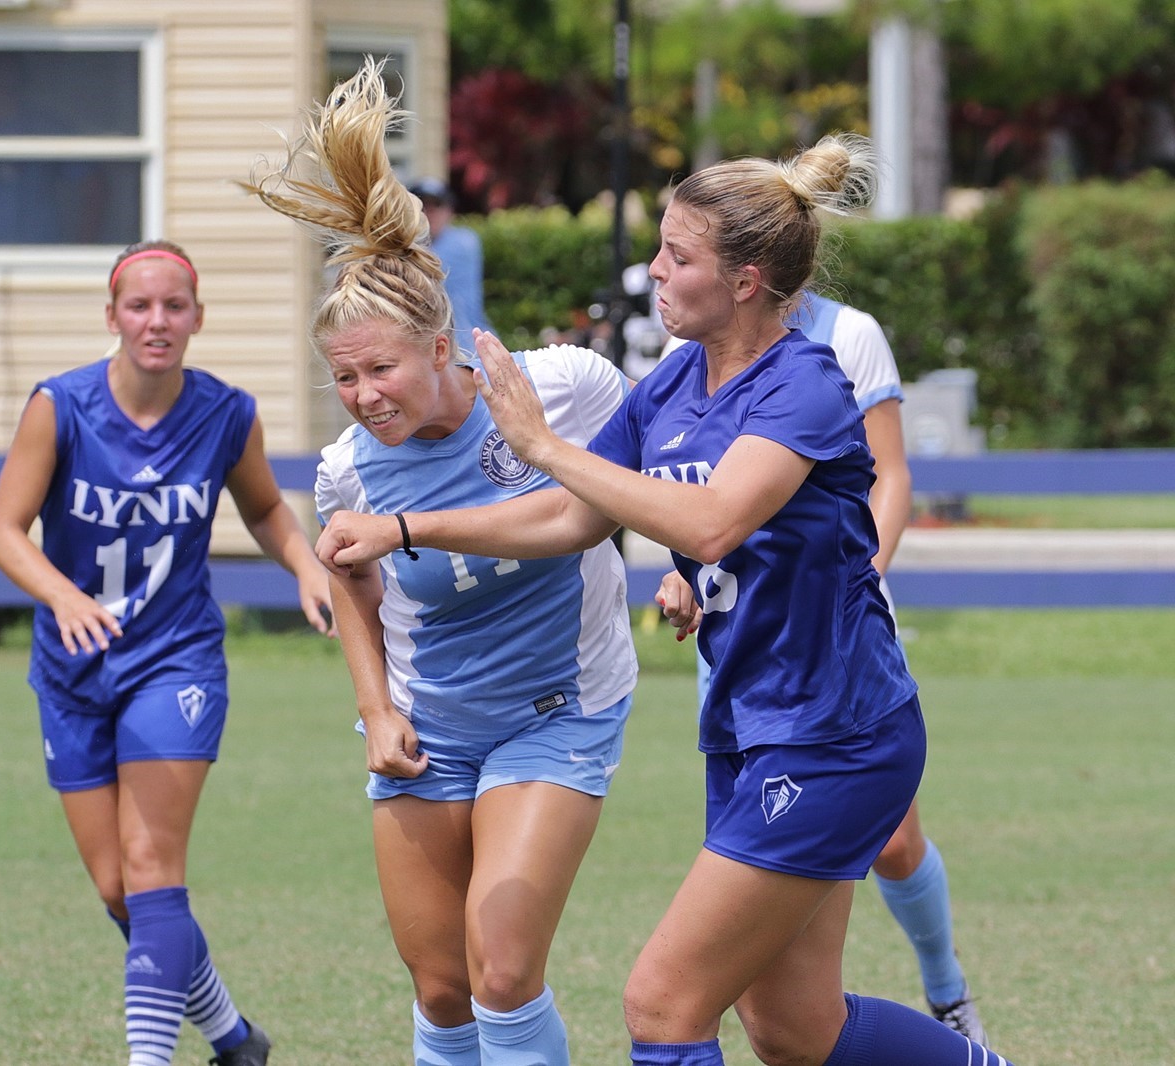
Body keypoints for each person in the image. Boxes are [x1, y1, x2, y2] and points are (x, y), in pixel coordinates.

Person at [318, 134, 1018, 1066]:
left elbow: (716, 519)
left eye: (677, 255)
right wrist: (408, 528)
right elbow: (573, 518)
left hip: (835, 731)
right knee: (794, 1028)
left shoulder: (804, 382)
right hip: (748, 725)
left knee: (661, 1006)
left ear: (745, 281)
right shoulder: (676, 383)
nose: (653, 270)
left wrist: (543, 447)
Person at [243, 59, 638, 1066]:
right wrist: (375, 711)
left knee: (501, 970)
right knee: (441, 987)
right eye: (343, 378)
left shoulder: (562, 388)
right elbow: (351, 578)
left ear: (439, 346)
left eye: (381, 368)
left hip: (560, 710)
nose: (365, 395)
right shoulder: (347, 470)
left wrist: (412, 530)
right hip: (433, 725)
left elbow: (589, 512)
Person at [0, 238, 332, 1066]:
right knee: (121, 889)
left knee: (151, 864)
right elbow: (3, 530)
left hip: (175, 661)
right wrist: (63, 595)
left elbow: (264, 508)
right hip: (72, 668)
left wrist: (306, 563)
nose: (157, 320)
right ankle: (235, 1039)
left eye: (174, 306)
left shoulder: (227, 413)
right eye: (139, 306)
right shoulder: (59, 406)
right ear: (111, 316)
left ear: (197, 318)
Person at [668, 291, 988, 1043]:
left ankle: (947, 991)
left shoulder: (849, 333)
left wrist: (853, 579)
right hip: (743, 645)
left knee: (896, 844)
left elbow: (891, 477)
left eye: (681, 252)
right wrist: (689, 572)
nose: (662, 270)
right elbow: (698, 491)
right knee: (774, 1009)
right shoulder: (695, 344)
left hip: (839, 639)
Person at [408, 177, 495, 354]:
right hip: (432, 347)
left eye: (436, 205)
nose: (428, 213)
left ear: (449, 211)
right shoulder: (409, 247)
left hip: (469, 345)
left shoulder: (463, 243)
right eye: (421, 206)